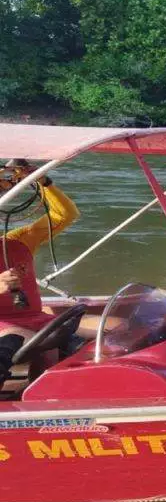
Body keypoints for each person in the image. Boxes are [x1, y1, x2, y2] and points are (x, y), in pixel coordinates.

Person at [0, 163, 79, 388]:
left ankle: (47, 395)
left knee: (113, 328)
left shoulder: (18, 241)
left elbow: (65, 214)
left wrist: (42, 181)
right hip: (7, 328)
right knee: (35, 338)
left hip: (36, 319)